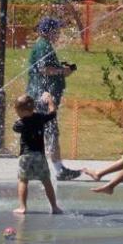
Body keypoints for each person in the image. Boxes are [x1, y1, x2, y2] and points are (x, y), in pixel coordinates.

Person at [26, 16, 80, 181]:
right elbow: (44, 69)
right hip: (43, 98)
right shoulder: (43, 45)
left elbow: (47, 68)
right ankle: (58, 170)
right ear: (48, 31)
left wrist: (61, 69)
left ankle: (37, 168)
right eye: (56, 30)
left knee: (45, 134)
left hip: (41, 96)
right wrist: (62, 71)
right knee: (51, 134)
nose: (58, 33)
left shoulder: (44, 45)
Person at [10, 95, 64, 213]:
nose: (17, 114)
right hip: (40, 155)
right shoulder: (40, 117)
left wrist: (20, 119)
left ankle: (23, 207)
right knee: (46, 180)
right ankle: (54, 207)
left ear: (23, 111)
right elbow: (53, 114)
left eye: (17, 111)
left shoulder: (20, 123)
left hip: (25, 156)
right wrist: (50, 101)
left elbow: (14, 127)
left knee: (23, 180)